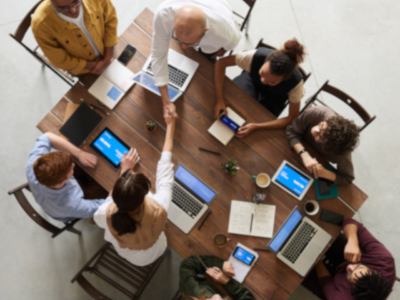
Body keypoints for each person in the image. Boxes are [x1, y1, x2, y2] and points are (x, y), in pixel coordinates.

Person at [94, 108, 176, 266]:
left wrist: (124, 171)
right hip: (154, 250)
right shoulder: (160, 206)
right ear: (145, 195)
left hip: (131, 256)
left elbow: (108, 203)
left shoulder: (104, 212)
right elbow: (165, 167)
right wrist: (171, 125)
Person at [151, 0, 242, 119]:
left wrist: (224, 49)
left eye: (190, 43)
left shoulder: (226, 34)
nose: (184, 47)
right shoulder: (163, 14)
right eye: (179, 39)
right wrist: (166, 101)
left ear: (205, 31)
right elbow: (158, 55)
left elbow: (232, 44)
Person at [214, 38, 306, 138]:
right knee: (232, 102)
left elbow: (292, 117)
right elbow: (220, 63)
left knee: (259, 120)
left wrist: (256, 127)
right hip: (251, 81)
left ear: (284, 79)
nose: (263, 80)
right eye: (262, 73)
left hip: (276, 97)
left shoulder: (295, 84)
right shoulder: (255, 56)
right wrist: (219, 99)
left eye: (272, 81)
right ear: (265, 61)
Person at [302, 219, 395, 300]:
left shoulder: (342, 298)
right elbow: (350, 222)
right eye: (358, 266)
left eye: (349, 273)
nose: (349, 266)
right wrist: (352, 241)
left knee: (300, 269)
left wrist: (314, 254)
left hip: (333, 287)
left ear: (352, 289)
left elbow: (325, 281)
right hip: (345, 257)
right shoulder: (383, 260)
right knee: (326, 229)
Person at [26, 132, 107, 222]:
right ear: (61, 182)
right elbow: (104, 207)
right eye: (70, 168)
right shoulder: (72, 205)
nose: (73, 165)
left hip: (51, 199)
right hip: (71, 209)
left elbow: (47, 136)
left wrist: (80, 154)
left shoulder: (34, 165)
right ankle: (92, 220)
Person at [32, 0, 118, 75]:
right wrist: (94, 66)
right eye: (63, 8)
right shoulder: (40, 25)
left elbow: (110, 20)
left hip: (109, 50)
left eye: (76, 1)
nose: (73, 10)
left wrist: (106, 59)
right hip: (85, 70)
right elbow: (58, 59)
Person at [286, 106, 360, 185]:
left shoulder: (342, 154)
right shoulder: (317, 112)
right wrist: (304, 154)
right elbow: (291, 131)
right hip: (292, 148)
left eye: (320, 136)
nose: (314, 130)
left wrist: (325, 173)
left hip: (314, 167)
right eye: (321, 125)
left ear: (330, 148)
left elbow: (347, 178)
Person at [179, 255, 255, 300]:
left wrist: (219, 264)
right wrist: (227, 282)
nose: (217, 298)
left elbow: (187, 265)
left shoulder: (192, 293)